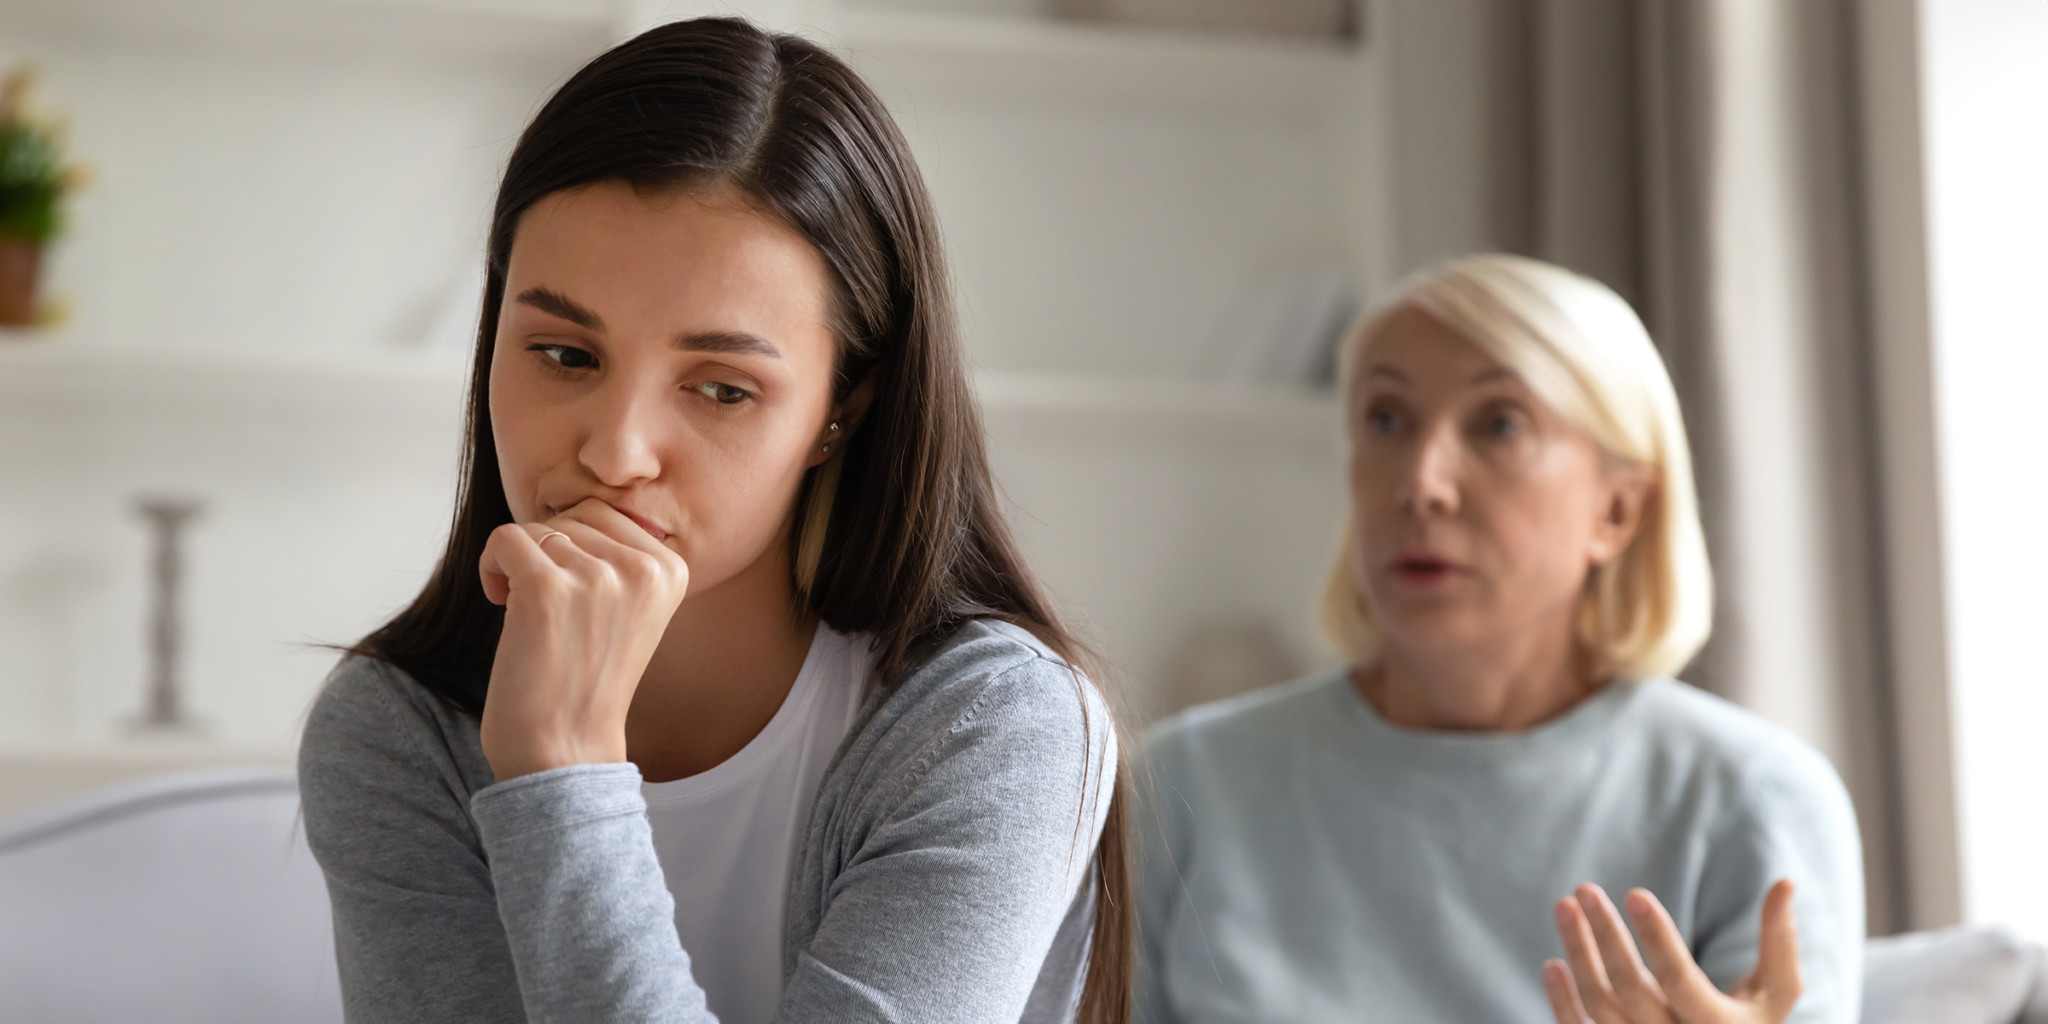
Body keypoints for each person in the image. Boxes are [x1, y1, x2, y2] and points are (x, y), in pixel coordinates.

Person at [298, 18, 1128, 1024]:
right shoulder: (398, 727)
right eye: (563, 355)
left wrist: (564, 772)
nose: (615, 452)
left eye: (722, 388)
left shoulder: (992, 727)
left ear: (840, 412)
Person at [1135, 254, 1863, 1023]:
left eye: (1499, 424)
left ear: (1617, 510)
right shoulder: (1182, 788)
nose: (1422, 481)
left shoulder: (1751, 802)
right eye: (1385, 419)